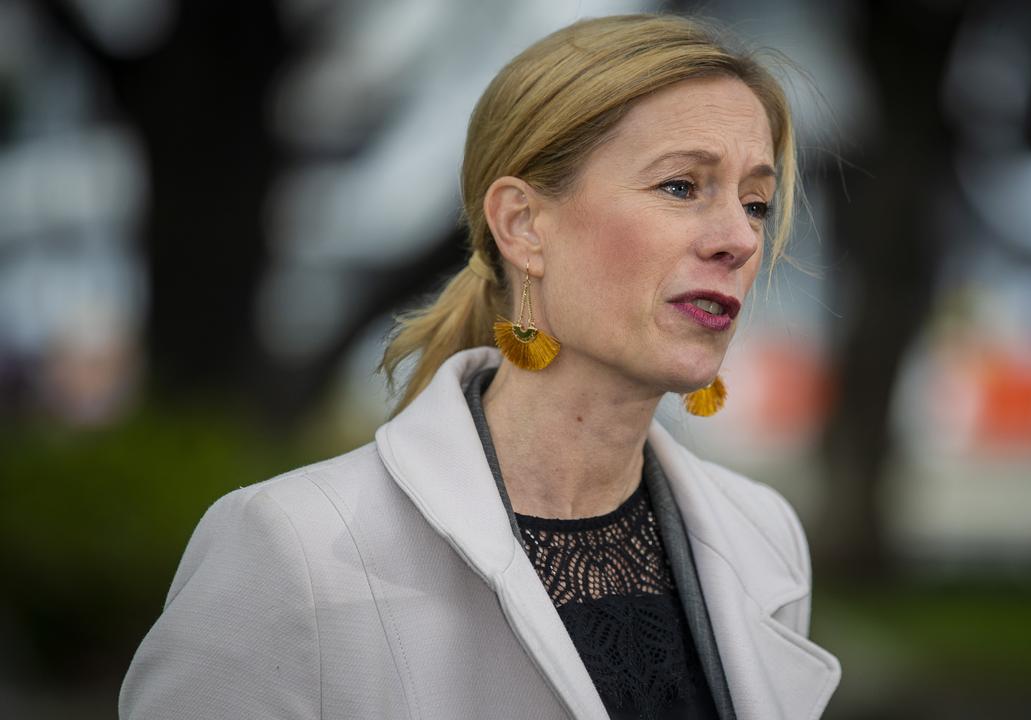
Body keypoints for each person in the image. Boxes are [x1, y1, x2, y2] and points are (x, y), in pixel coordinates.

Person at [120, 13, 840, 720]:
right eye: (682, 186)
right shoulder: (292, 545)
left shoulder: (760, 536)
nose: (739, 240)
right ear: (524, 226)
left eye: (756, 202)